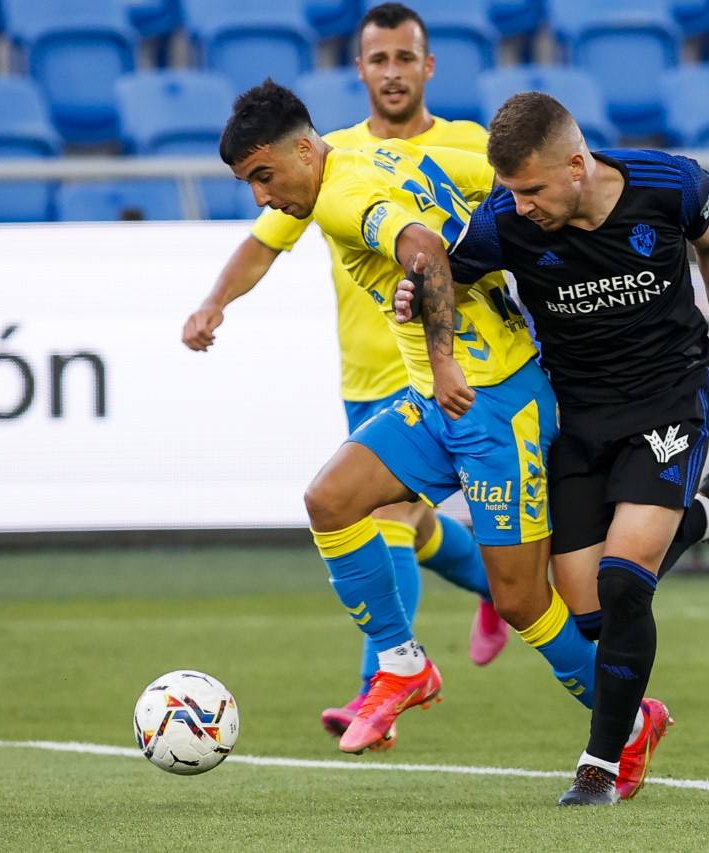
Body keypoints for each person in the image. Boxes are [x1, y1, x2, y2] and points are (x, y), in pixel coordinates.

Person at [398, 92, 709, 805]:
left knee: (626, 581)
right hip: (576, 413)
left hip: (668, 397)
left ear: (577, 164)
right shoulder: (506, 221)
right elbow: (442, 272)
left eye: (533, 188)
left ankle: (601, 765)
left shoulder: (671, 185)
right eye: (510, 190)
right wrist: (414, 291)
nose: (521, 204)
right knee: (589, 611)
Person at [217, 79, 604, 755]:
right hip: (436, 401)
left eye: (263, 175)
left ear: (305, 151)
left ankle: (627, 713)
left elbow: (422, 249)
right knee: (330, 499)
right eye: (249, 181)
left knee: (521, 602)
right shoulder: (373, 158)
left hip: (491, 399)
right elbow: (483, 188)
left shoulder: (340, 197)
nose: (261, 196)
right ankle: (402, 663)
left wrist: (445, 356)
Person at [181, 3, 509, 747]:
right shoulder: (320, 159)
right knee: (414, 525)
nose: (391, 71)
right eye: (377, 59)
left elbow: (520, 221)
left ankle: (378, 690)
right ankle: (496, 587)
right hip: (364, 377)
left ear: (429, 67)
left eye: (404, 57)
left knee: (384, 519)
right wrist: (213, 303)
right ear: (358, 70)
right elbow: (265, 242)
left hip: (444, 371)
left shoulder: (467, 146)